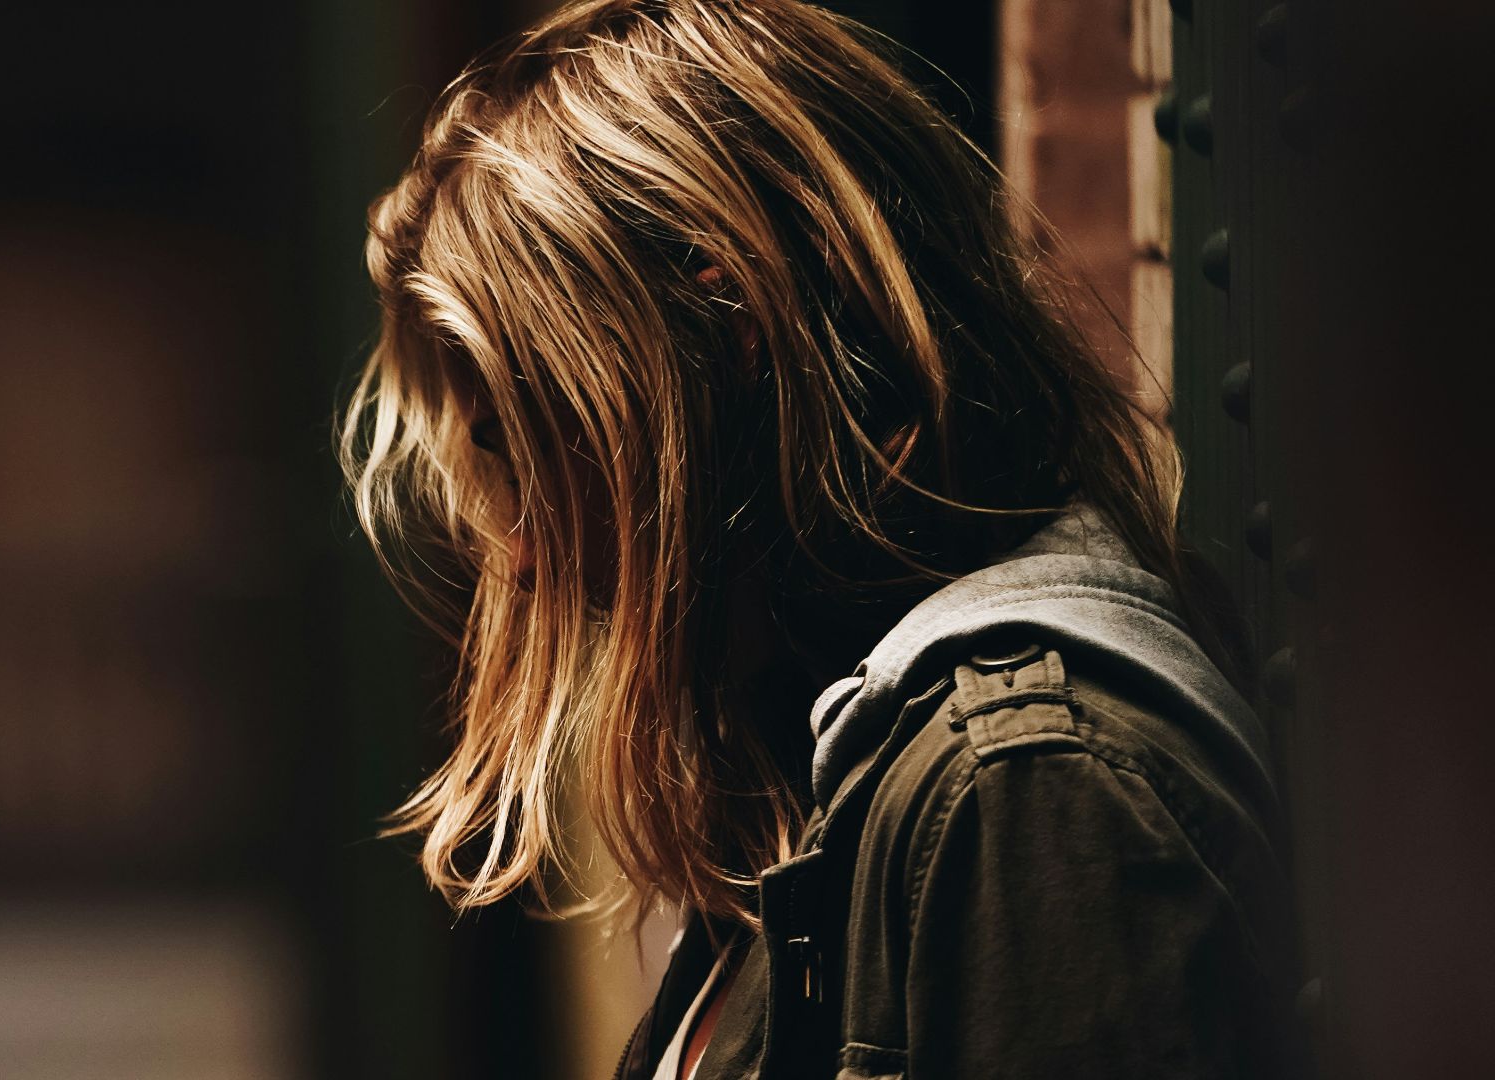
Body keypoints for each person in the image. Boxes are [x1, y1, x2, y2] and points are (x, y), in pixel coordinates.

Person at [338, 1, 1298, 1076]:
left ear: (727, 333)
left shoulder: (1028, 793)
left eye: (533, 451)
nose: (520, 560)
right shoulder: (832, 786)